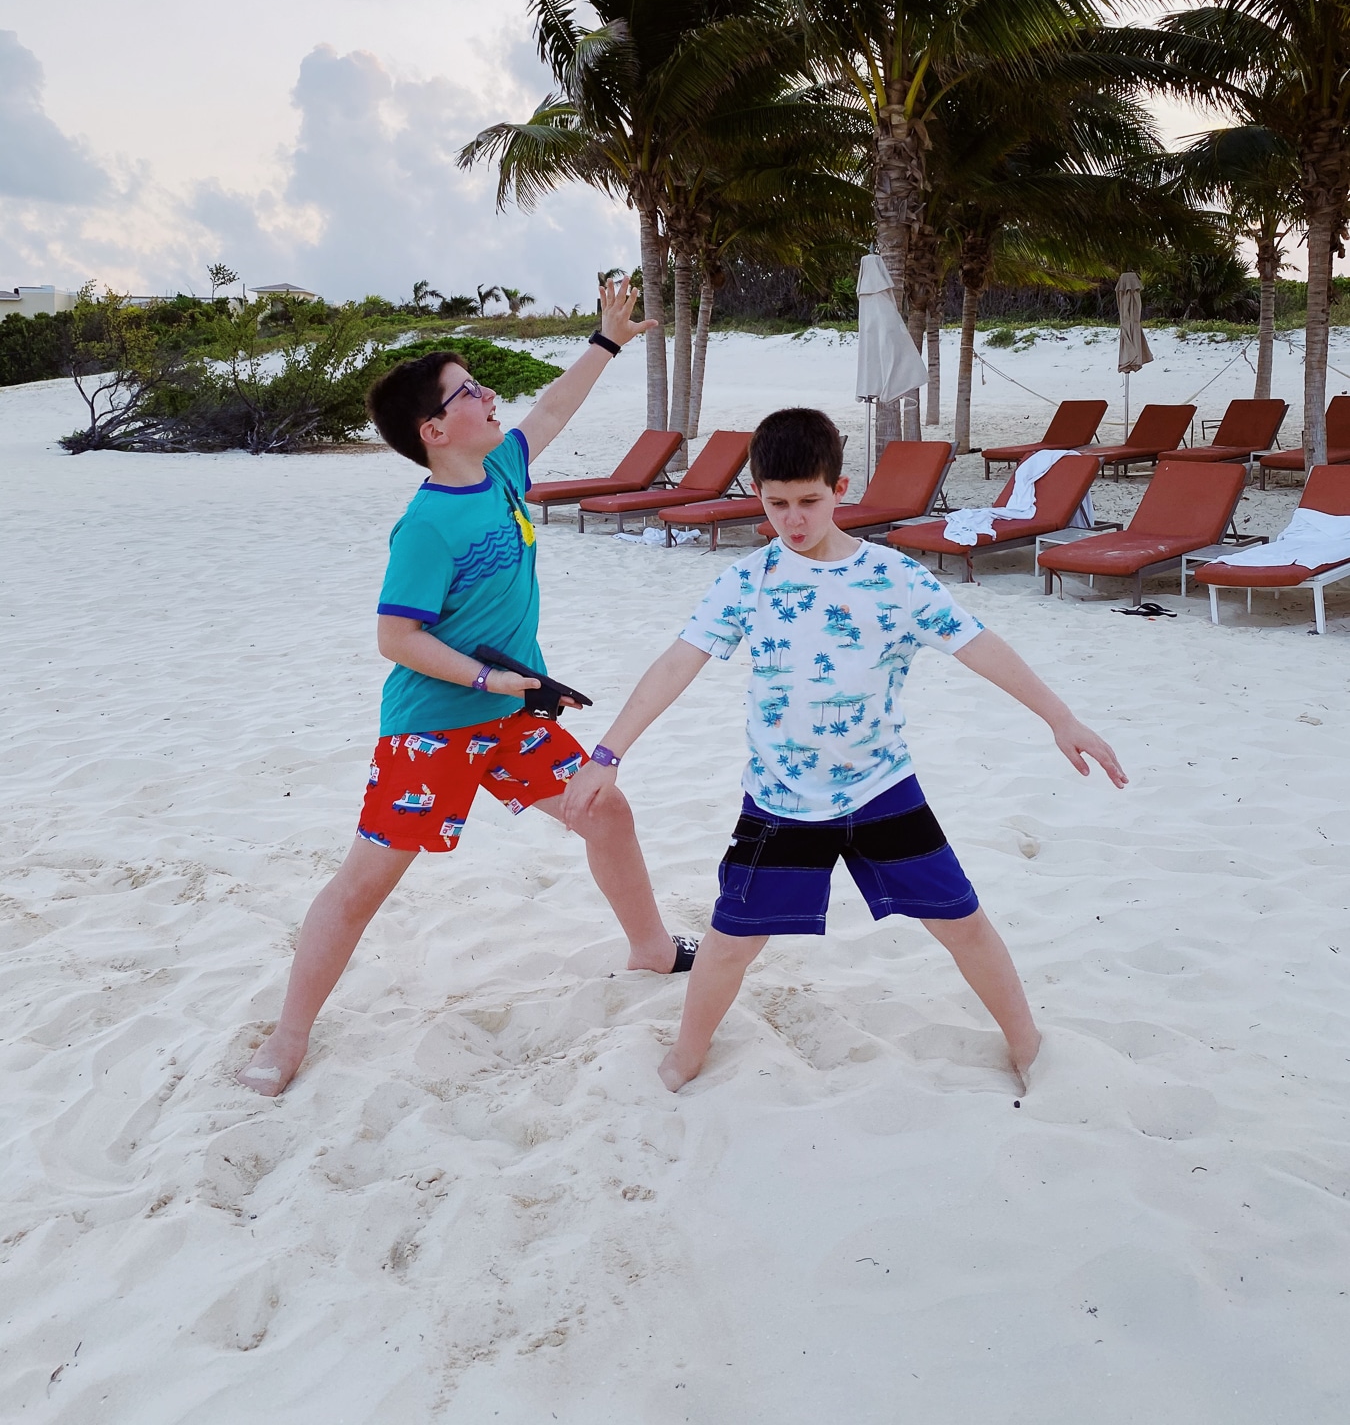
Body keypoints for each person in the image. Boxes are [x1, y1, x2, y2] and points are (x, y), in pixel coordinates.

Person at [563, 407, 1128, 1094]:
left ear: (841, 488)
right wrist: (608, 753)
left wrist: (1059, 718)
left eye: (809, 501)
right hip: (780, 798)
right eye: (777, 505)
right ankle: (685, 1054)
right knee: (732, 939)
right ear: (758, 496)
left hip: (882, 788)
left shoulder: (896, 578)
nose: (793, 520)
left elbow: (979, 646)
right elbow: (677, 664)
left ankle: (1029, 1045)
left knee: (962, 924)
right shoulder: (749, 580)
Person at [239, 278, 695, 1096]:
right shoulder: (426, 525)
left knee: (606, 810)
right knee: (363, 887)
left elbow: (552, 411)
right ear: (436, 428)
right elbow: (395, 637)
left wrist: (605, 342)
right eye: (469, 392)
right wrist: (489, 676)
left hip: (514, 716)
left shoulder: (505, 472)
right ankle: (287, 1038)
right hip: (432, 728)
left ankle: (651, 949)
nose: (490, 398)